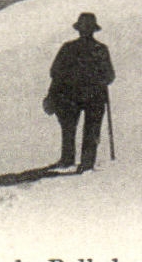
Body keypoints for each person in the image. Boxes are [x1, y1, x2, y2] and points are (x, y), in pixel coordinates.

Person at [44, 13, 114, 172]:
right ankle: (86, 162)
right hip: (94, 95)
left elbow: (55, 72)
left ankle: (68, 159)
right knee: (91, 129)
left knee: (69, 128)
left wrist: (52, 93)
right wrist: (100, 80)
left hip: (71, 95)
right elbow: (110, 75)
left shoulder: (68, 48)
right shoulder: (100, 49)